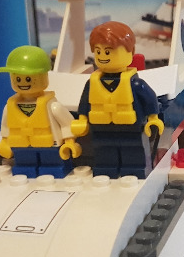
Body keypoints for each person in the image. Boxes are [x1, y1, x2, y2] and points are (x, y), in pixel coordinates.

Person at [61, 21, 163, 178]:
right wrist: (82, 119)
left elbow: (150, 100)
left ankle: (134, 170)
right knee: (104, 151)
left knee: (132, 151)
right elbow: (85, 103)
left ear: (131, 51)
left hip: (131, 129)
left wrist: (153, 118)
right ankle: (106, 170)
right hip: (101, 129)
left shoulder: (135, 84)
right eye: (98, 51)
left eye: (108, 52)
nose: (102, 56)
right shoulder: (92, 83)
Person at [0, 46, 72, 178]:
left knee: (52, 166)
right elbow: (6, 127)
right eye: (17, 79)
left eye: (28, 79)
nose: (23, 83)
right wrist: (5, 141)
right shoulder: (9, 107)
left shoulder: (52, 106)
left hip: (50, 145)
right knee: (24, 167)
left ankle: (52, 169)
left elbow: (67, 124)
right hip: (20, 146)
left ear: (44, 76)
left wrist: (69, 141)